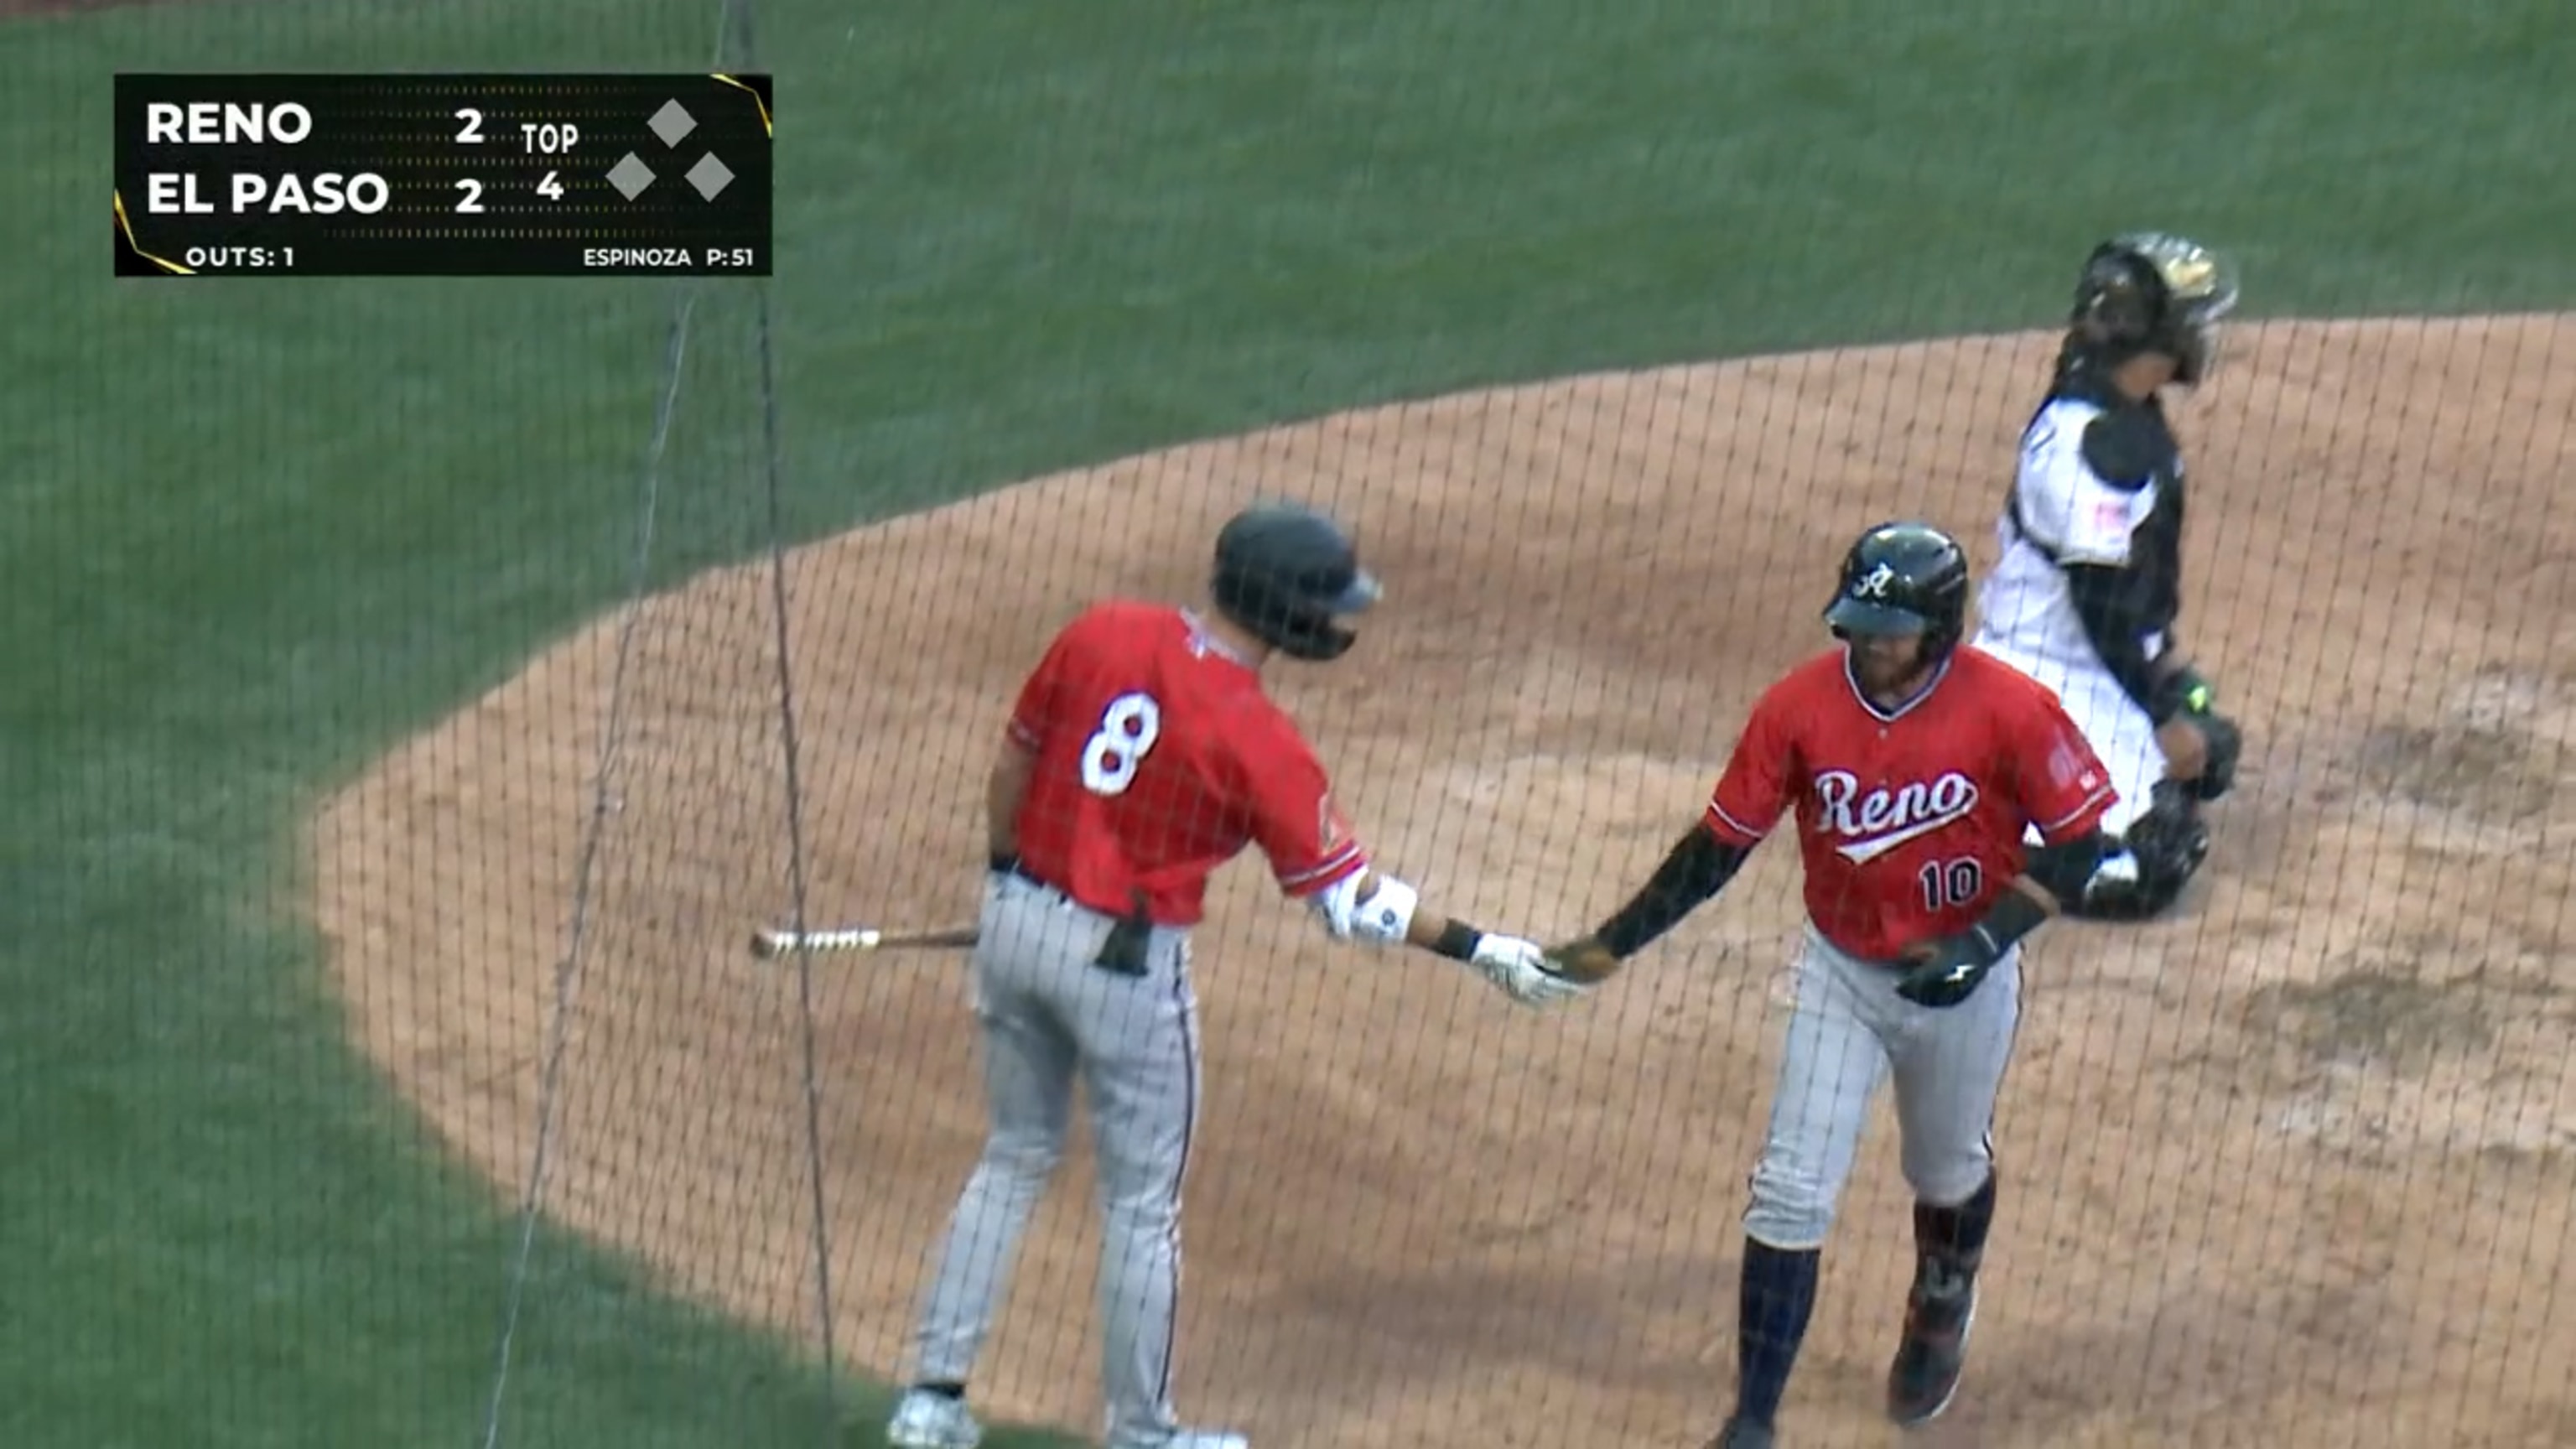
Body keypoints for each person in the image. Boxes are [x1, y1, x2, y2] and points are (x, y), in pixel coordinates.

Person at [884, 499, 1588, 1449]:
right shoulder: (1259, 741)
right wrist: (1482, 948)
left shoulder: (1104, 630)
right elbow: (1353, 907)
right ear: (1289, 608)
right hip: (1125, 974)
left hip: (1013, 925)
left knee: (1014, 1157)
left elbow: (1014, 764)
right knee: (1141, 1208)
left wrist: (1009, 877)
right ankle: (1143, 1432)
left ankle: (931, 1401)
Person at [1541, 522, 2122, 1448]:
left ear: (1939, 628)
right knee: (1790, 1192)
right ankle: (1754, 1419)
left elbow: (2088, 843)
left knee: (1946, 1169)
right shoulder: (1797, 709)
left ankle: (1942, 1294)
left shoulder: (2011, 708)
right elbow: (1717, 849)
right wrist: (1615, 943)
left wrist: (1984, 937)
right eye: (1858, 623)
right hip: (1841, 976)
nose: (1866, 642)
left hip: (1965, 983)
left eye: (1888, 628)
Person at [1966, 231, 2248, 920]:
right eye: (2194, 319)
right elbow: (2102, 605)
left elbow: (2133, 597)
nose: (2207, 334)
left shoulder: (2119, 406)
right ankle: (1974, 838)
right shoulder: (2089, 446)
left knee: (2210, 744)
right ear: (2156, 332)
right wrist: (2158, 713)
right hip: (2040, 677)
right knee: (2151, 867)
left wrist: (2172, 675)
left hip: (2086, 664)